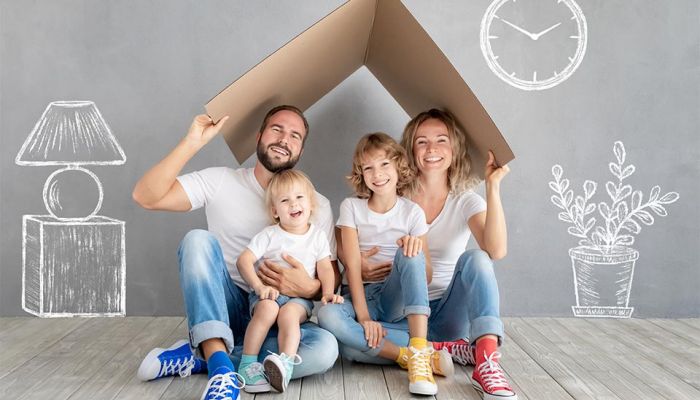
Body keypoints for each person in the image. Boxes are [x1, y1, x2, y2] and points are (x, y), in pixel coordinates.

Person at [132, 105, 340, 400]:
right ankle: (221, 371)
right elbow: (146, 196)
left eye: (295, 136)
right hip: (224, 306)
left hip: (279, 315)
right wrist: (192, 141)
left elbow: (331, 276)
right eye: (277, 129)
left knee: (325, 350)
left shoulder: (315, 204)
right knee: (197, 241)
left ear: (300, 151)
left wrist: (311, 287)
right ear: (259, 136)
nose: (284, 139)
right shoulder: (220, 181)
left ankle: (206, 355)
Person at [319, 109, 517, 400]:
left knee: (478, 259)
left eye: (441, 140)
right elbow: (345, 245)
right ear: (409, 150)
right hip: (399, 313)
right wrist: (356, 265)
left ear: (455, 148)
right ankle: (435, 350)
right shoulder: (394, 194)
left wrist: (493, 186)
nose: (432, 149)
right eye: (422, 141)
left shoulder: (464, 200)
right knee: (347, 346)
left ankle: (485, 359)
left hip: (447, 310)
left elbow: (496, 250)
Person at [320, 132, 451, 396]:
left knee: (410, 253)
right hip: (362, 298)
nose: (377, 174)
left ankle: (415, 345)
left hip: (396, 298)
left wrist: (411, 252)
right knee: (328, 319)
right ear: (361, 174)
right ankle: (416, 353)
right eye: (368, 168)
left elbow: (425, 276)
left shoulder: (412, 212)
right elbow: (353, 268)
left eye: (384, 165)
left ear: (398, 166)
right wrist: (365, 318)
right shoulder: (351, 208)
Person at [236, 169, 343, 393]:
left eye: (299, 197)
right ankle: (248, 363)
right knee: (267, 309)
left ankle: (284, 364)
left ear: (311, 204)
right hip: (269, 295)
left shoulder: (317, 236)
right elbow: (244, 260)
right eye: (285, 200)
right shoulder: (270, 234)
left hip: (298, 300)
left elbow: (325, 267)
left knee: (289, 314)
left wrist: (327, 291)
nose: (293, 204)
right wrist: (259, 286)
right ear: (275, 211)